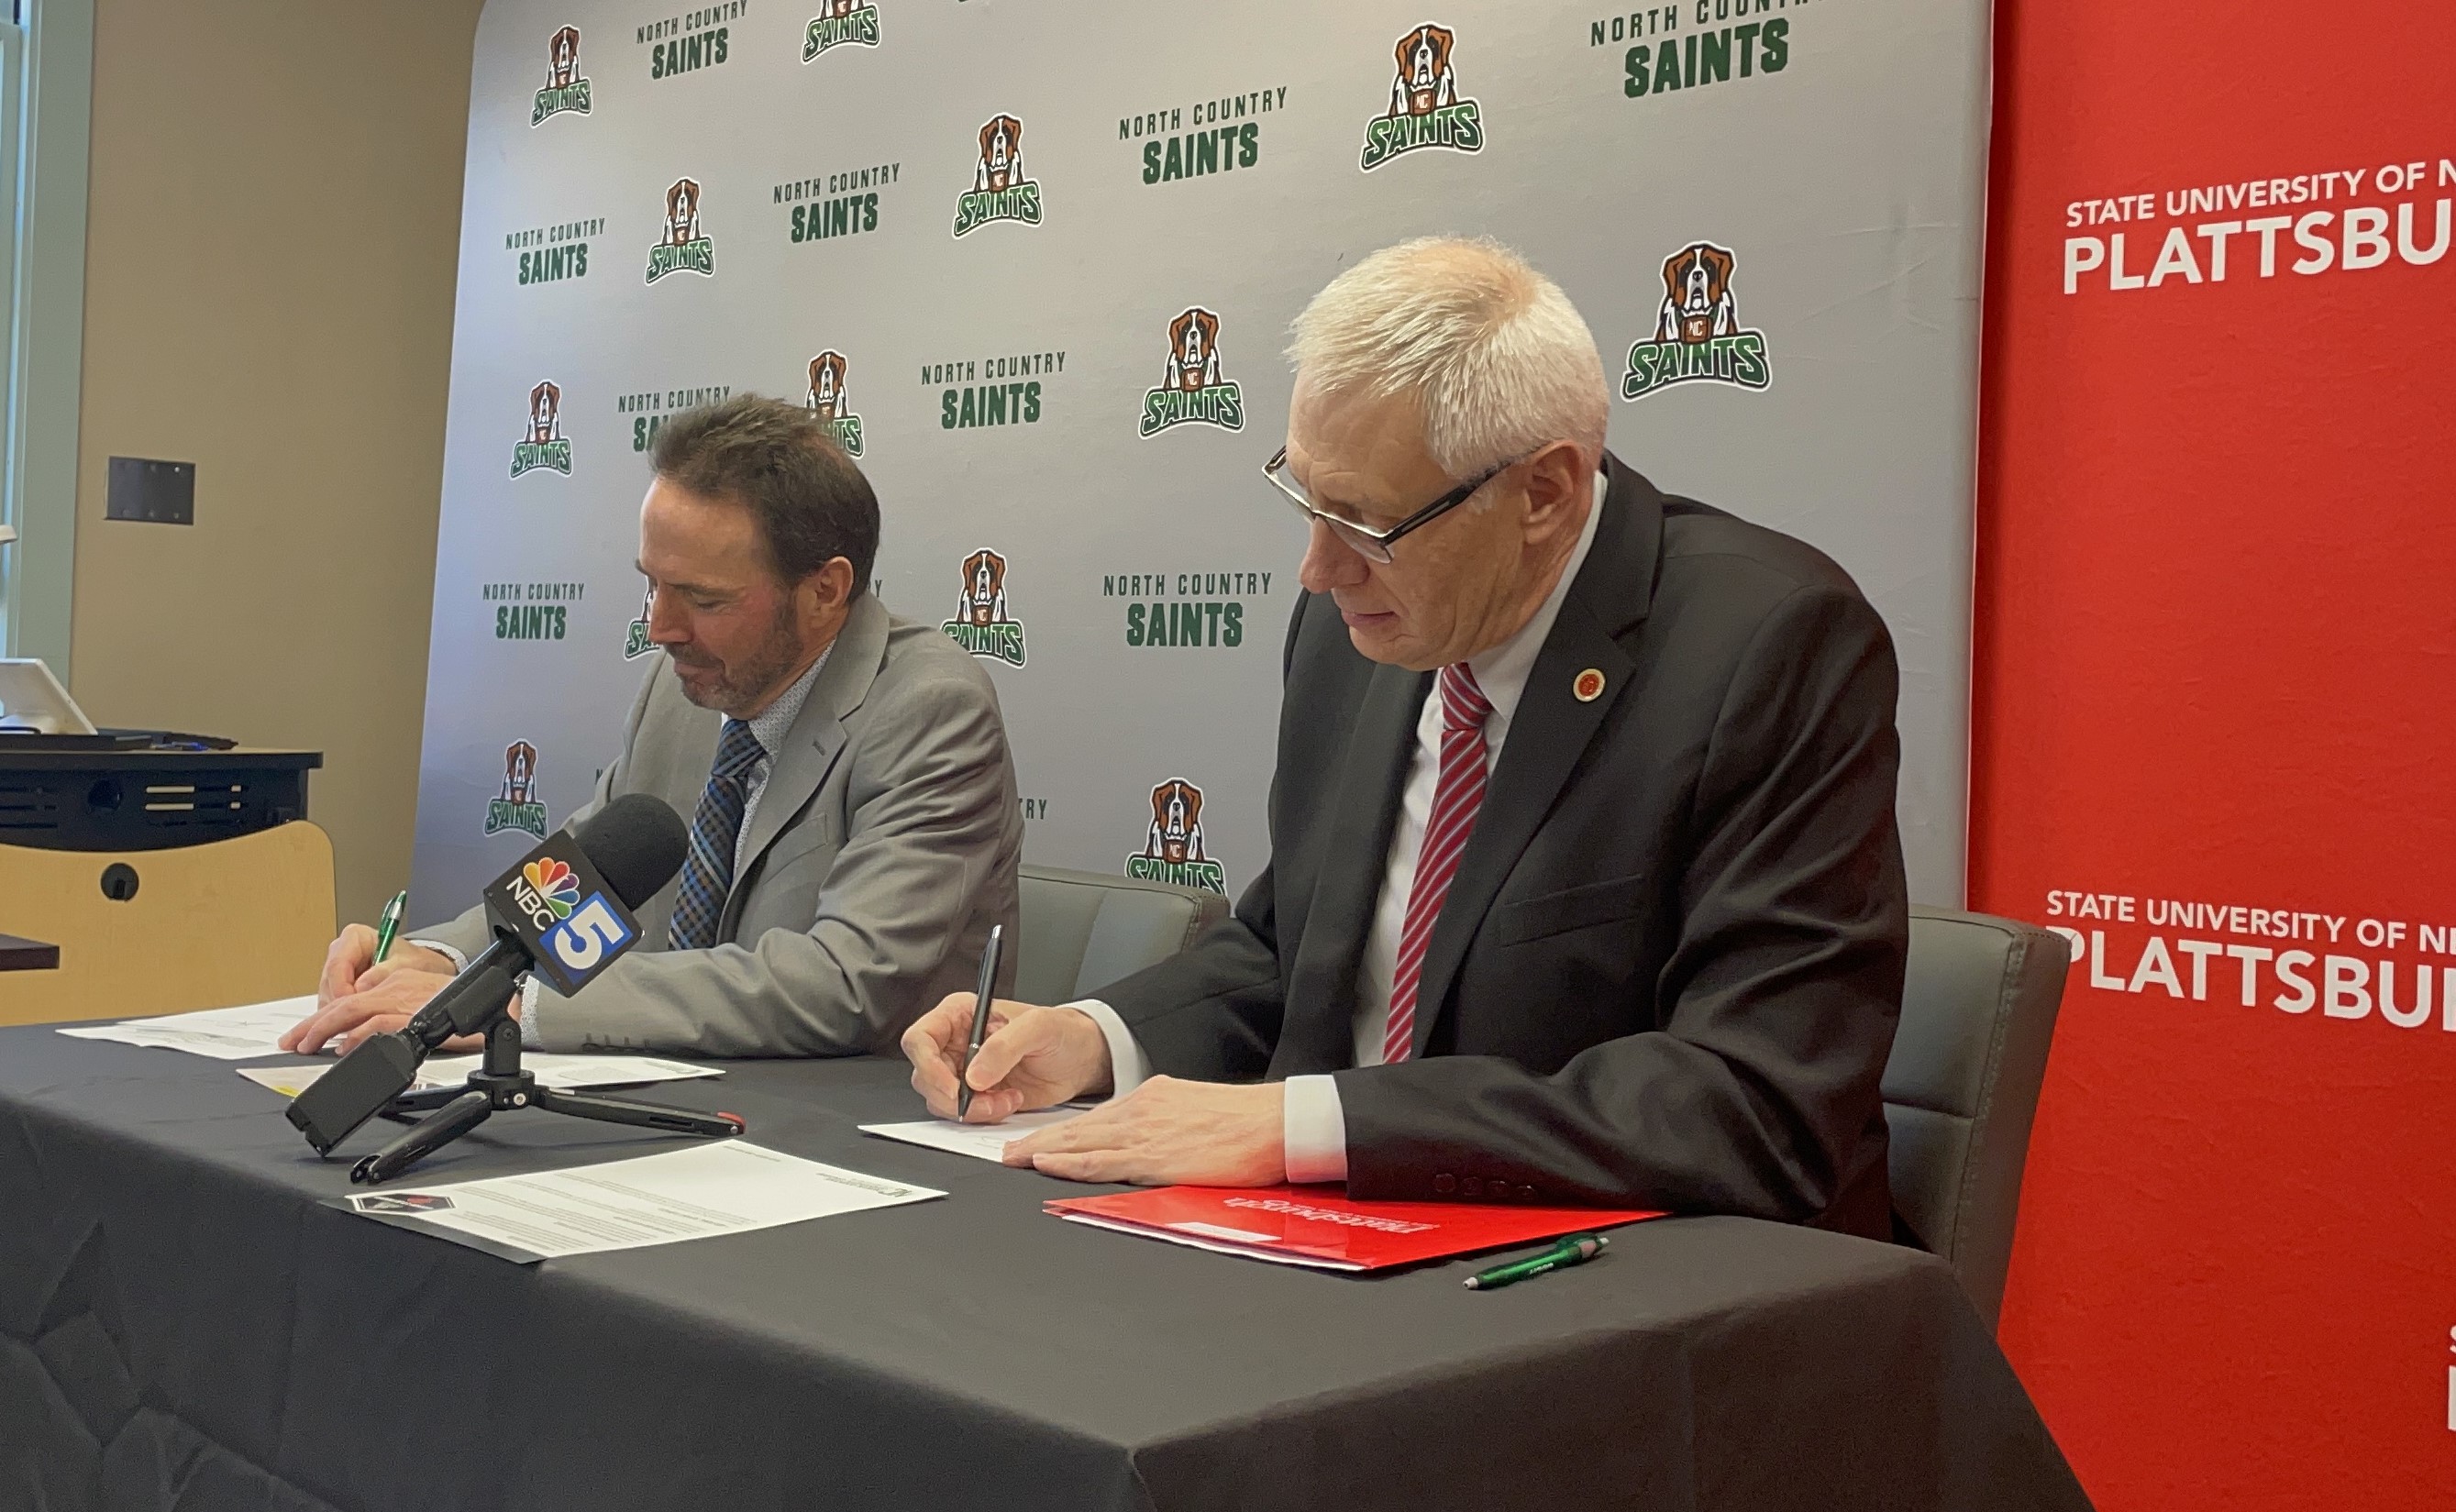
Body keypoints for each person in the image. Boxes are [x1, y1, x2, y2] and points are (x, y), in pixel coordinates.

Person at [902, 237, 1908, 1237]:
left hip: (1648, 1285)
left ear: (1544, 492)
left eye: (1365, 521)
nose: (1316, 570)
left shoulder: (1767, 644)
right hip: (1337, 1246)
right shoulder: (1357, 630)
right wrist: (1089, 1037)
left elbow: (1752, 1100)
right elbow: (1295, 952)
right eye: (1301, 497)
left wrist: (1306, 1125)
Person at [286, 395, 1022, 1059]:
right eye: (651, 584)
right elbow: (571, 892)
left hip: (849, 1132)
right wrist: (436, 961)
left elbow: (841, 985)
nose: (659, 628)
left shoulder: (930, 710)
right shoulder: (686, 691)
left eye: (702, 598)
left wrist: (516, 1003)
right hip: (675, 1095)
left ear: (825, 590)